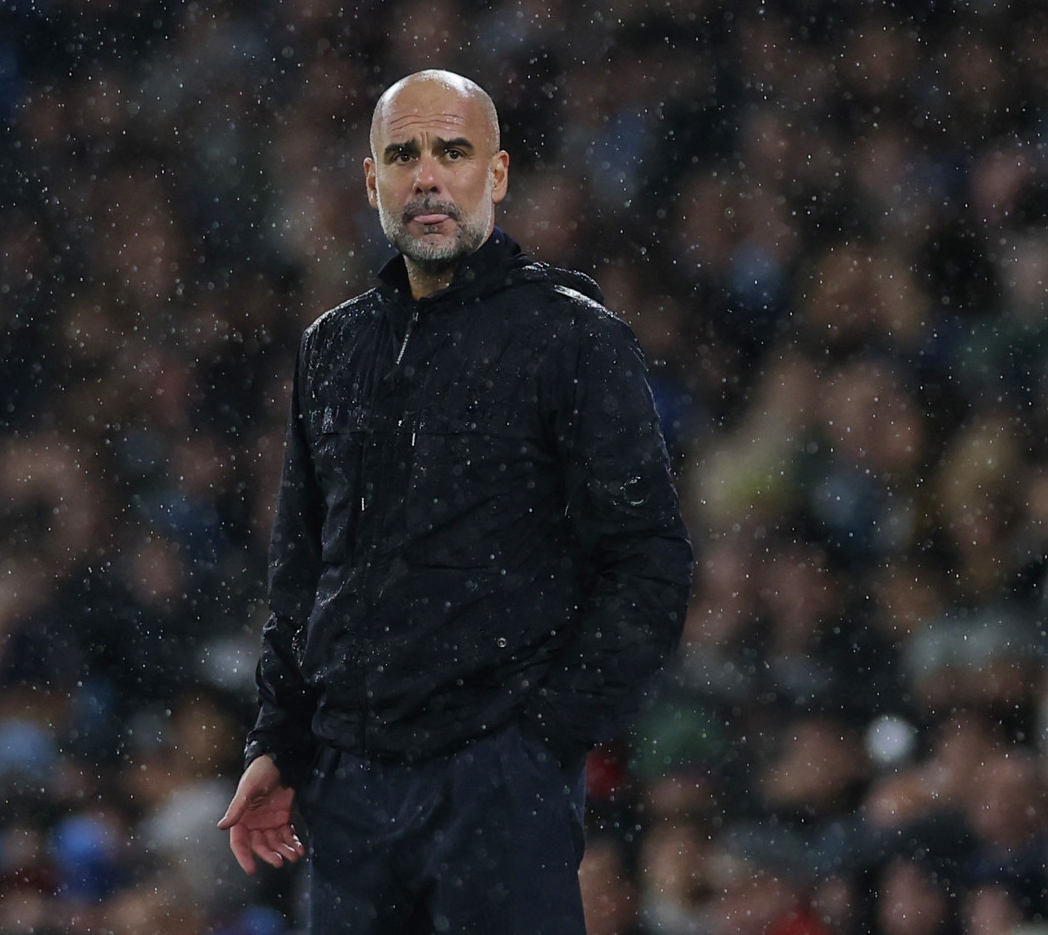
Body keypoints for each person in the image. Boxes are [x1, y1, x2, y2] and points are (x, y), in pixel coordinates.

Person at [218, 68, 693, 934]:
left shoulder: (573, 339)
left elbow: (648, 564)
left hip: (496, 782)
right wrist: (278, 742)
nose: (426, 175)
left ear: (497, 174)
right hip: (349, 788)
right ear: (372, 181)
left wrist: (538, 741)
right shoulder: (333, 346)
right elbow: (302, 572)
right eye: (402, 154)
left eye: (452, 150)